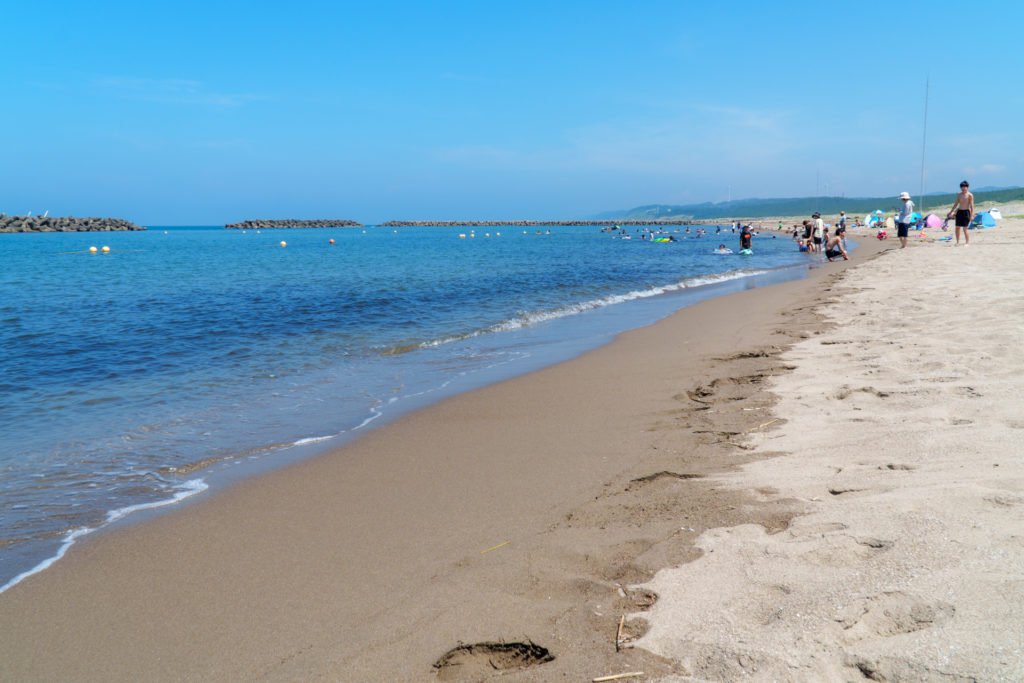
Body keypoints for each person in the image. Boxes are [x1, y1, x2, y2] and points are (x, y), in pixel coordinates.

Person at [947, 180, 974, 246]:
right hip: (959, 212)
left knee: (965, 229)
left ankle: (967, 242)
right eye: (962, 187)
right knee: (957, 227)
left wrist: (971, 215)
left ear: (967, 187)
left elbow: (972, 206)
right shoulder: (959, 194)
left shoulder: (970, 195)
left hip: (966, 212)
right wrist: (951, 212)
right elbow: (956, 204)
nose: (963, 188)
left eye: (965, 187)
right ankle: (957, 242)